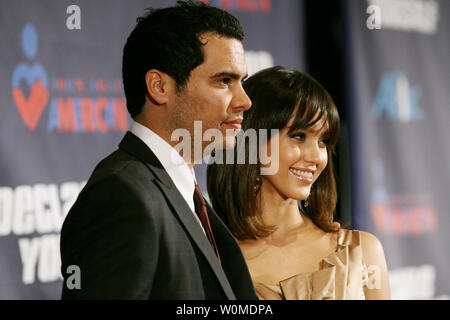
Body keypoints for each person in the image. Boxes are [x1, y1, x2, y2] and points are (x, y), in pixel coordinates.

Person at [60, 0, 257, 299]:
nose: (244, 101)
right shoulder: (120, 196)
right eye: (224, 81)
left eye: (241, 81)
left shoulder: (178, 189)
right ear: (159, 87)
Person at [207, 66, 391, 300]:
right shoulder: (214, 260)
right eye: (299, 136)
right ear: (252, 140)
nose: (316, 157)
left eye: (323, 141)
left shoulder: (360, 251)